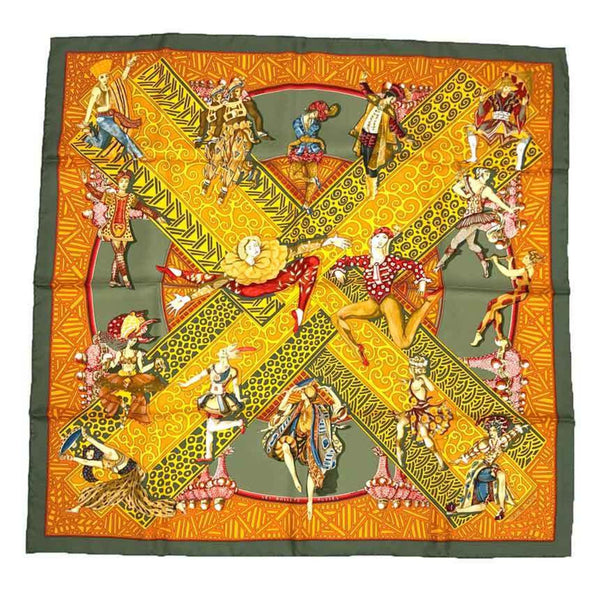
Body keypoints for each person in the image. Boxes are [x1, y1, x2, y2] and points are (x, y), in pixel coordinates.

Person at [158, 232, 350, 333]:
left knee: (313, 261)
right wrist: (188, 298)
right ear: (244, 252)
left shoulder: (270, 254)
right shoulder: (237, 267)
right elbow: (213, 286)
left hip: (276, 282)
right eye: (251, 247)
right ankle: (181, 274)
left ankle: (300, 310)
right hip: (249, 288)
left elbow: (298, 248)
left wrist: (327, 241)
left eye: (256, 245)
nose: (256, 248)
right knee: (218, 279)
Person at [329, 226, 441, 366]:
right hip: (372, 303)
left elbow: (414, 265)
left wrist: (422, 283)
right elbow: (344, 260)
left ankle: (427, 304)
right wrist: (338, 270)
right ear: (371, 241)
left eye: (384, 238)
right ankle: (356, 348)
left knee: (403, 343)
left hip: (388, 301)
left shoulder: (391, 261)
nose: (380, 240)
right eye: (378, 237)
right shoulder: (365, 260)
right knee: (336, 317)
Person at [262, 382, 347, 520]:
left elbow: (338, 407)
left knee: (314, 469)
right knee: (285, 447)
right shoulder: (297, 406)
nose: (301, 393)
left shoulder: (321, 409)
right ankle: (295, 478)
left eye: (303, 392)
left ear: (307, 396)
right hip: (295, 437)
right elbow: (281, 408)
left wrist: (331, 392)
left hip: (312, 441)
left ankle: (310, 501)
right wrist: (289, 393)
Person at [61, 429, 185, 516]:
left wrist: (87, 437)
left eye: (89, 452)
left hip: (135, 474)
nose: (88, 455)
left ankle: (174, 506)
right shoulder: (103, 462)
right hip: (127, 480)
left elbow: (98, 445)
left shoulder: (110, 453)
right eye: (88, 455)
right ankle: (174, 506)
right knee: (140, 503)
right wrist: (71, 458)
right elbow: (86, 462)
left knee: (105, 490)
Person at [82, 168, 166, 288]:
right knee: (119, 253)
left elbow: (142, 207)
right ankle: (126, 279)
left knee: (119, 254)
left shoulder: (131, 198)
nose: (124, 184)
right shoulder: (112, 197)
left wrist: (156, 216)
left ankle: (114, 279)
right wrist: (86, 183)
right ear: (118, 182)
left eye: (126, 182)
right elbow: (97, 194)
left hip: (125, 228)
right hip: (113, 228)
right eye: (122, 181)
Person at [434, 167, 517, 277]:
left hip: (475, 219)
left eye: (489, 174)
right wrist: (465, 195)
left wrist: (509, 209)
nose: (488, 176)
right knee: (471, 245)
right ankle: (484, 263)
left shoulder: (485, 189)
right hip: (468, 218)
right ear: (480, 173)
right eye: (486, 173)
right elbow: (455, 187)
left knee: (455, 241)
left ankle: (440, 263)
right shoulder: (469, 180)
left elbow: (497, 201)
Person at [180, 344, 255, 462]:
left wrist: (238, 398)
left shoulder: (232, 371)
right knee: (209, 428)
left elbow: (235, 386)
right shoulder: (213, 366)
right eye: (221, 353)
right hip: (210, 397)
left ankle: (237, 423)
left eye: (224, 353)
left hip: (219, 401)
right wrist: (187, 384)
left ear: (227, 356)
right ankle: (208, 455)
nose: (222, 355)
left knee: (211, 427)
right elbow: (200, 376)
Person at [446, 415, 529, 521]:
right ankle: (502, 508)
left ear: (499, 431)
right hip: (482, 470)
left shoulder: (502, 441)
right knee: (501, 475)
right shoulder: (484, 443)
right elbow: (471, 453)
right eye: (490, 430)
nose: (491, 433)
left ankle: (456, 510)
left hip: (490, 471)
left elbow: (512, 433)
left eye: (494, 430)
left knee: (482, 506)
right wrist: (458, 460)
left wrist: (521, 427)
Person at [204, 78, 271, 203]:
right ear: (230, 92)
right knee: (217, 156)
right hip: (226, 133)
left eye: (239, 90)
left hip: (242, 132)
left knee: (234, 162)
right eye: (235, 91)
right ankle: (207, 181)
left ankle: (224, 190)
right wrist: (213, 138)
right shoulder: (223, 105)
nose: (237, 93)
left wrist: (260, 131)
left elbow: (256, 116)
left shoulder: (245, 103)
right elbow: (219, 122)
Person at [350, 72, 415, 199]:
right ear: (388, 97)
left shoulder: (389, 111)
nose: (392, 102)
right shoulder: (375, 100)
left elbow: (394, 126)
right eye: (392, 100)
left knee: (372, 164)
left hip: (375, 139)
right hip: (364, 134)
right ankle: (369, 190)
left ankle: (373, 191)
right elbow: (366, 91)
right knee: (365, 162)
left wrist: (404, 138)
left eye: (393, 101)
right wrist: (362, 80)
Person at [95, 312, 166, 425]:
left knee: (139, 397)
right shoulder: (120, 353)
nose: (134, 342)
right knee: (105, 392)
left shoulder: (138, 353)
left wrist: (154, 363)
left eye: (136, 340)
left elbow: (142, 369)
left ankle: (132, 416)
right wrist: (106, 362)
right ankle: (118, 408)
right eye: (133, 339)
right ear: (127, 339)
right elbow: (113, 365)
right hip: (120, 377)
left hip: (134, 377)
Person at [78, 55, 146, 161]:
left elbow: (122, 78)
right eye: (102, 77)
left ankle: (89, 136)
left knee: (102, 144)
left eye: (106, 76)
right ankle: (140, 155)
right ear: (98, 78)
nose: (105, 79)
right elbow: (90, 106)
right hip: (102, 119)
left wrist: (128, 66)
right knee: (122, 136)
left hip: (109, 118)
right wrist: (86, 122)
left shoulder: (108, 86)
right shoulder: (96, 90)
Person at [471, 250, 544, 347]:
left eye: (526, 257)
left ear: (531, 261)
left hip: (520, 293)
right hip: (517, 292)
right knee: (493, 307)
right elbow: (513, 277)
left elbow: (507, 273)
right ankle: (500, 338)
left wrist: (496, 262)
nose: (523, 258)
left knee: (493, 306)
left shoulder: (526, 270)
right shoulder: (525, 269)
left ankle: (479, 333)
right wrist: (510, 262)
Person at [394, 356, 452, 470]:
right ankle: (398, 449)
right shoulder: (412, 380)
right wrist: (405, 381)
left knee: (424, 435)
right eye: (413, 368)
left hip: (422, 413)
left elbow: (431, 388)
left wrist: (424, 377)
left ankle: (440, 460)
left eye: (416, 368)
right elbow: (411, 384)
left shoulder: (420, 381)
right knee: (400, 424)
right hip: (413, 411)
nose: (413, 370)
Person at [466, 72, 531, 171]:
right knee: (470, 130)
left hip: (507, 125)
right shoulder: (492, 97)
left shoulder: (514, 100)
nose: (507, 90)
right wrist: (481, 102)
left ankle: (518, 164)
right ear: (502, 86)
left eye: (509, 88)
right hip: (492, 124)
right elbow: (482, 113)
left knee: (526, 137)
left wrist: (523, 106)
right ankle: (474, 156)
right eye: (506, 87)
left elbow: (520, 117)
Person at [287, 100, 340, 213]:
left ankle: (306, 204)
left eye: (319, 115)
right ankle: (311, 179)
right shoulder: (297, 122)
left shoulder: (316, 124)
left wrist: (316, 142)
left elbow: (306, 138)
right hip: (300, 152)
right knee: (292, 175)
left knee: (312, 180)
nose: (317, 116)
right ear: (313, 109)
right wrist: (319, 141)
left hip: (312, 152)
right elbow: (302, 139)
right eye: (317, 113)